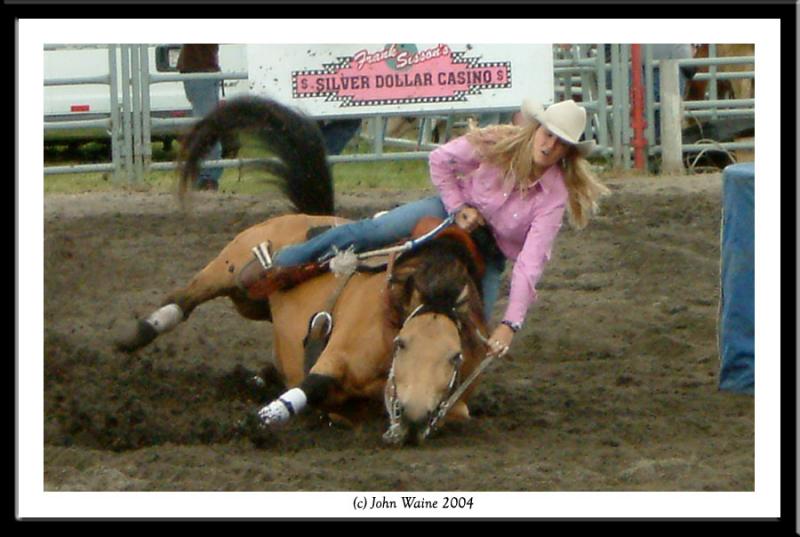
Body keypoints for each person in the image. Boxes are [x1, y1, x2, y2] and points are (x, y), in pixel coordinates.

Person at [260, 98, 610, 358]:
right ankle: (285, 260)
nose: (549, 146)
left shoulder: (554, 196)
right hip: (444, 212)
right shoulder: (499, 144)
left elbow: (531, 263)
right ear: (537, 130)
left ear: (568, 153)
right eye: (548, 134)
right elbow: (440, 159)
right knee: (364, 233)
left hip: (489, 253)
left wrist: (510, 324)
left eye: (560, 142)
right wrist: (459, 207)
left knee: (476, 334)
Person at [178, 44, 224, 191]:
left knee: (205, 124)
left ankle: (204, 176)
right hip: (202, 69)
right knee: (208, 125)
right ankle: (207, 177)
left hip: (200, 68)